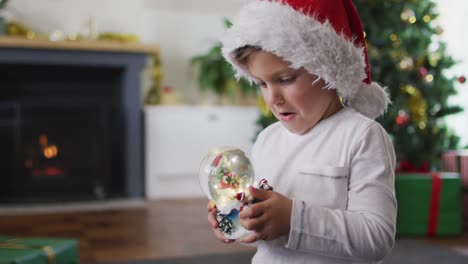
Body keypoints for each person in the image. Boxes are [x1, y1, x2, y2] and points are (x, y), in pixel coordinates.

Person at [207, 0, 397, 263]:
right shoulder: (267, 140)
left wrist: (294, 220)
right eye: (261, 83)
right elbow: (265, 232)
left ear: (328, 70)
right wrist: (239, 219)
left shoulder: (361, 136)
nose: (272, 98)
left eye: (285, 79)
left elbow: (377, 238)